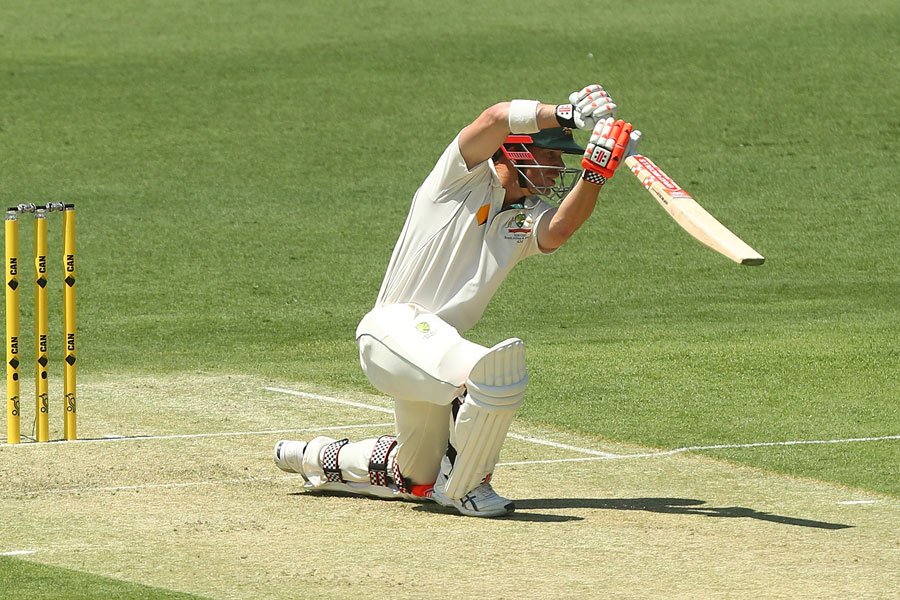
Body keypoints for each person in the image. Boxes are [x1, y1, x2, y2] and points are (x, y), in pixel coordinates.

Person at [274, 84, 641, 517]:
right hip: (392, 329)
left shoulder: (527, 217)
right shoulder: (458, 179)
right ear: (518, 152)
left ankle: (313, 457)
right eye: (553, 155)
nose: (559, 166)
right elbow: (494, 119)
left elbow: (559, 231)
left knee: (417, 477)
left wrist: (596, 174)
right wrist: (563, 114)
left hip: (432, 352)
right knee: (496, 374)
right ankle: (469, 487)